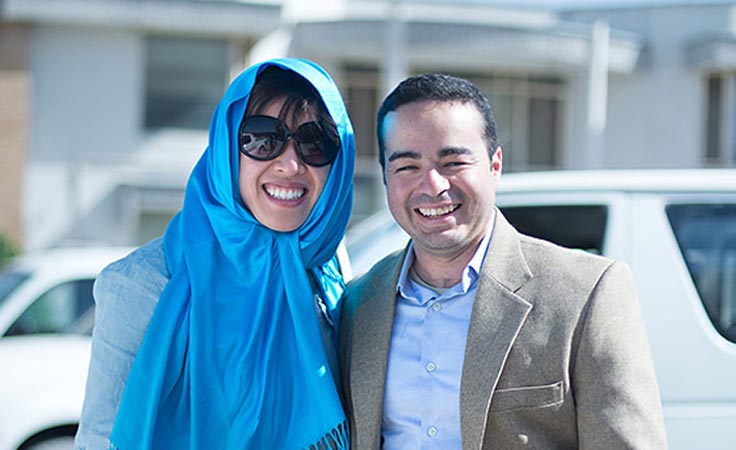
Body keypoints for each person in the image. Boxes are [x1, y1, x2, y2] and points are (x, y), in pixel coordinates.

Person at [338, 73, 667, 449]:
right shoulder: (358, 305)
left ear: (495, 165)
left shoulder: (587, 293)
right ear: (385, 177)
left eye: (453, 162)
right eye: (407, 167)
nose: (432, 185)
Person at [74, 58, 355, 449]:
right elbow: (100, 440)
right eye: (261, 138)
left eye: (315, 143)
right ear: (225, 149)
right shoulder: (141, 284)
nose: (290, 164)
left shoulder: (328, 267)